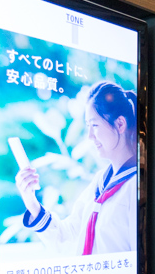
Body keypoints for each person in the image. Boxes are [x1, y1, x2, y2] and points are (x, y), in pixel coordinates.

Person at [15, 81, 138, 256]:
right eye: (88, 126)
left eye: (94, 125)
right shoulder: (101, 182)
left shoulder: (136, 185)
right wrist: (31, 202)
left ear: (120, 124)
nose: (90, 136)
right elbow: (69, 235)